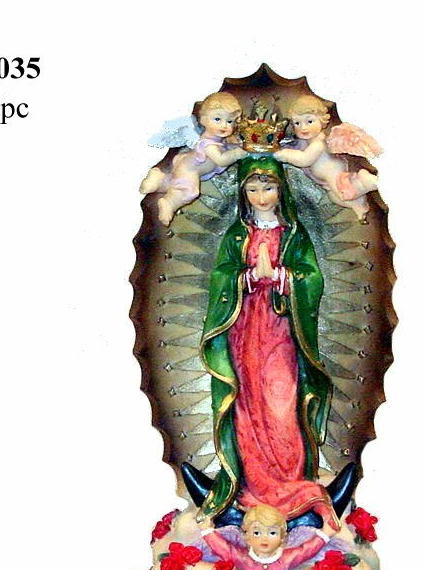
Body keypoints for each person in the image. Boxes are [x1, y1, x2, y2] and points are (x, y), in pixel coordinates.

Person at [198, 155, 339, 530]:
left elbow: (312, 278)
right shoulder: (237, 236)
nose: (261, 197)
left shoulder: (293, 235)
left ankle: (290, 486)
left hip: (281, 333)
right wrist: (244, 278)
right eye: (253, 189)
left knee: (281, 404)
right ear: (243, 193)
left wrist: (281, 277)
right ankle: (254, 488)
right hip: (245, 334)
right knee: (248, 403)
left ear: (282, 190)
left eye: (269, 187)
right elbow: (221, 277)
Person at [139, 91, 248, 225]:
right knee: (190, 192)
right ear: (203, 120)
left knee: (177, 182)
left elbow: (226, 146)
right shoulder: (208, 144)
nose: (224, 125)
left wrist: (235, 144)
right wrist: (237, 153)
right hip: (190, 170)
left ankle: (159, 179)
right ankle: (169, 203)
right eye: (217, 119)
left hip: (187, 165)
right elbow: (221, 160)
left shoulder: (217, 140)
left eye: (229, 121)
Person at [274, 94, 382, 222]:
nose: (303, 127)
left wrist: (284, 155)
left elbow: (304, 159)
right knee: (334, 197)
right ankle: (358, 204)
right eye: (297, 123)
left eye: (309, 121)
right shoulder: (306, 141)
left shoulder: (318, 143)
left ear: (322, 120)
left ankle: (366, 182)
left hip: (334, 177)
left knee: (344, 193)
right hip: (326, 182)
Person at [198, 505, 334, 570]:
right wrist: (207, 530)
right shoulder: (242, 558)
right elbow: (224, 548)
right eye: (257, 533)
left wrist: (326, 534)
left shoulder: (287, 558)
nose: (265, 539)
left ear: (282, 538)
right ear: (247, 537)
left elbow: (306, 550)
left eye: (272, 533)